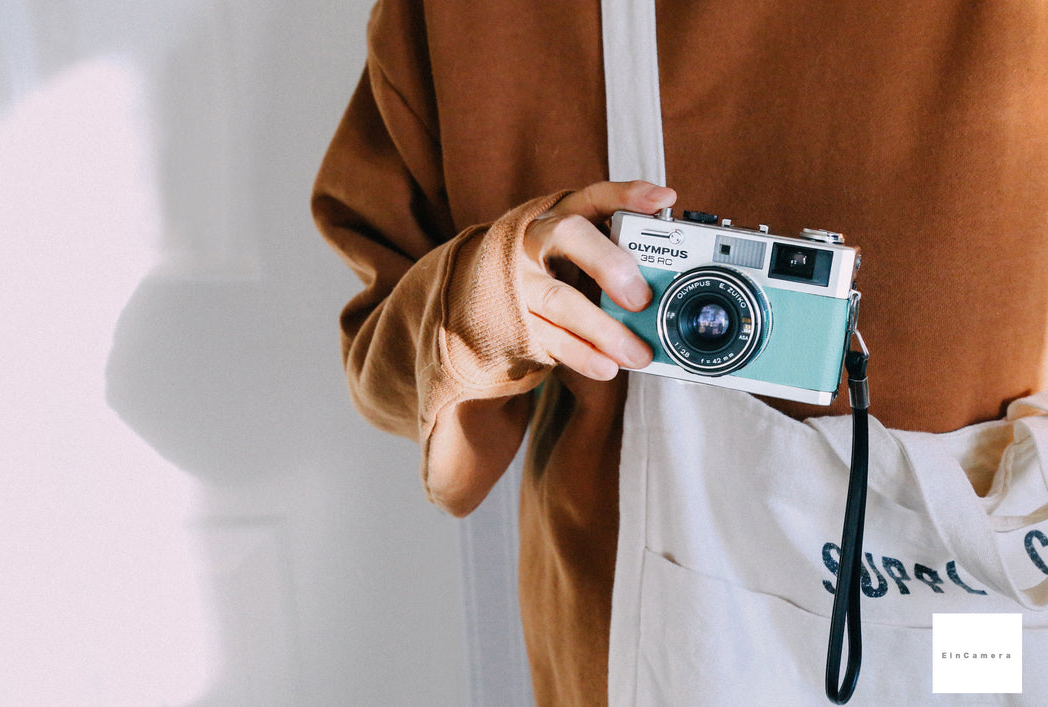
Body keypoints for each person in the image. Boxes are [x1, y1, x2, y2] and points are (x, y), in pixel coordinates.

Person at [312, 1, 1048, 703]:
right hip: (646, 631)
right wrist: (494, 295)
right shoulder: (471, 22)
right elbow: (383, 360)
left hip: (974, 628)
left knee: (967, 660)